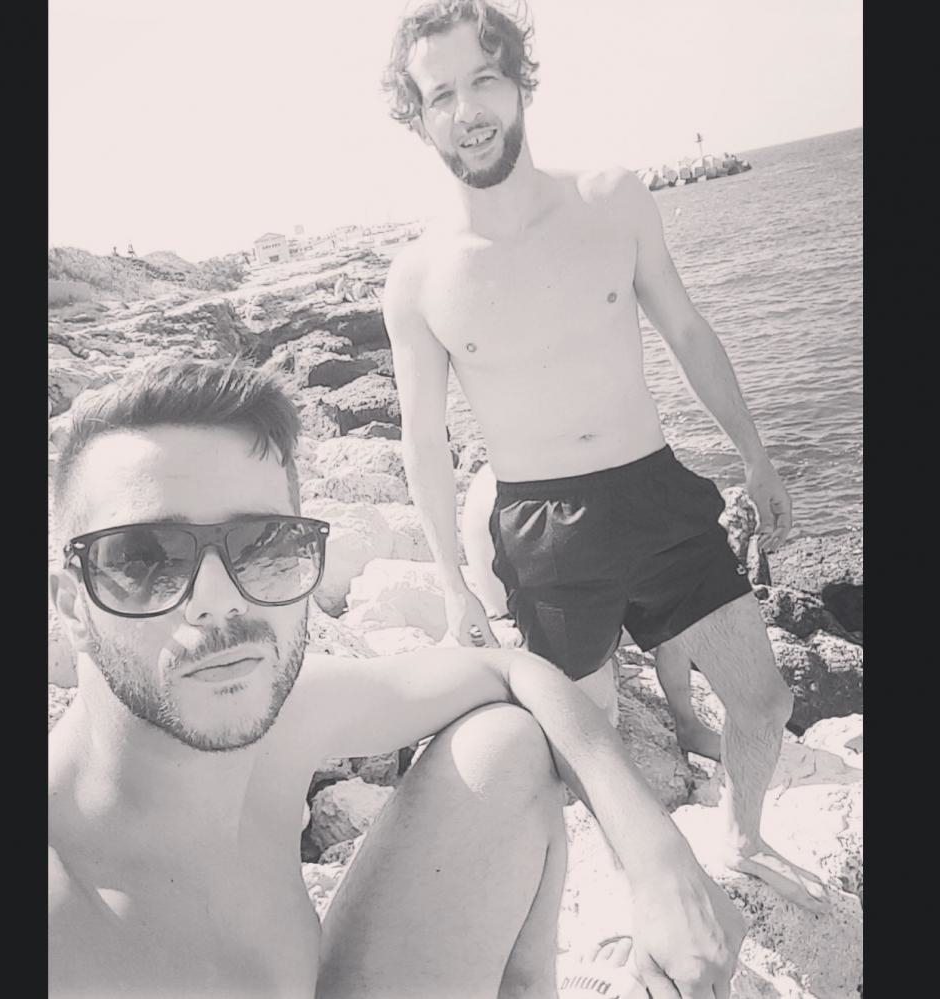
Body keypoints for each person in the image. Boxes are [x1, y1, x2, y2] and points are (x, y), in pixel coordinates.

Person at [48, 358, 743, 998]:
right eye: (143, 559)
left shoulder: (284, 715)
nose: (219, 599)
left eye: (263, 546)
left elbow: (511, 669)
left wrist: (657, 862)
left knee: (503, 745)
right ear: (73, 604)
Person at [381, 0, 826, 911]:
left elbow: (687, 330)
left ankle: (742, 840)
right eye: (440, 95)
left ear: (518, 82)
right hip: (543, 531)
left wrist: (755, 455)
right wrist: (453, 587)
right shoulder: (419, 277)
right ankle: (639, 894)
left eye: (483, 79)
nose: (466, 110)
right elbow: (422, 440)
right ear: (417, 117)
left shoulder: (610, 199)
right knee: (590, 745)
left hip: (654, 489)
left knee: (765, 702)